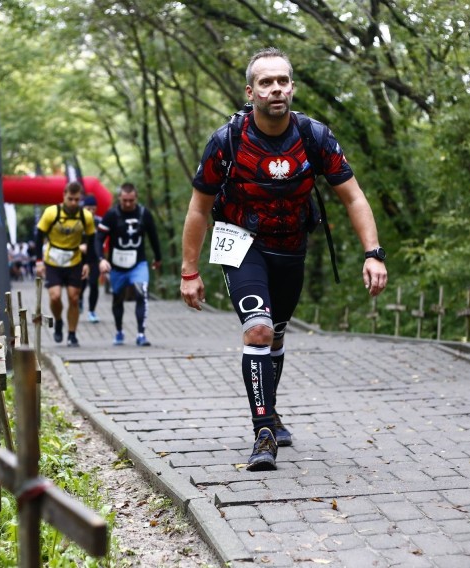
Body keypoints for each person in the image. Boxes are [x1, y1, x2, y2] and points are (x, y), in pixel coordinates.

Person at [179, 47, 388, 471]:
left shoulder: (314, 136)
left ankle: (270, 412)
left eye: (282, 81)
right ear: (250, 91)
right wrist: (189, 272)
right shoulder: (227, 141)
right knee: (256, 330)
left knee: (274, 334)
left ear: (291, 87)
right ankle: (263, 433)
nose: (275, 89)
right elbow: (199, 208)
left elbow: (353, 196)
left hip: (291, 246)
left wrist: (373, 254)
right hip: (240, 243)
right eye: (266, 82)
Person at [97, 183, 162, 346]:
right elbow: (98, 239)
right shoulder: (111, 215)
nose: (127, 204)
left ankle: (141, 334)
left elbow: (153, 237)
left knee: (141, 293)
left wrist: (158, 257)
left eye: (131, 201)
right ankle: (119, 331)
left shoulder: (143, 214)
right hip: (117, 266)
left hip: (138, 263)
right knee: (118, 299)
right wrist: (101, 259)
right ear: (119, 198)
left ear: (136, 198)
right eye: (124, 200)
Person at [35, 181, 96, 347]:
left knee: (74, 298)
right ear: (64, 196)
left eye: (77, 199)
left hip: (74, 260)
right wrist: (39, 262)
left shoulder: (86, 216)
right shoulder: (51, 213)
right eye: (71, 199)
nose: (74, 203)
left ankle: (72, 334)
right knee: (55, 296)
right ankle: (59, 321)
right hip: (53, 260)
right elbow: (39, 235)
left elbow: (92, 240)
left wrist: (88, 263)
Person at [80, 194, 102, 323]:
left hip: (94, 258)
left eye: (93, 209)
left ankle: (92, 311)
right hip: (80, 258)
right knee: (81, 283)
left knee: (94, 283)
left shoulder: (100, 222)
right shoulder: (76, 222)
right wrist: (79, 246)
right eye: (88, 208)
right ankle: (79, 299)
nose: (91, 211)